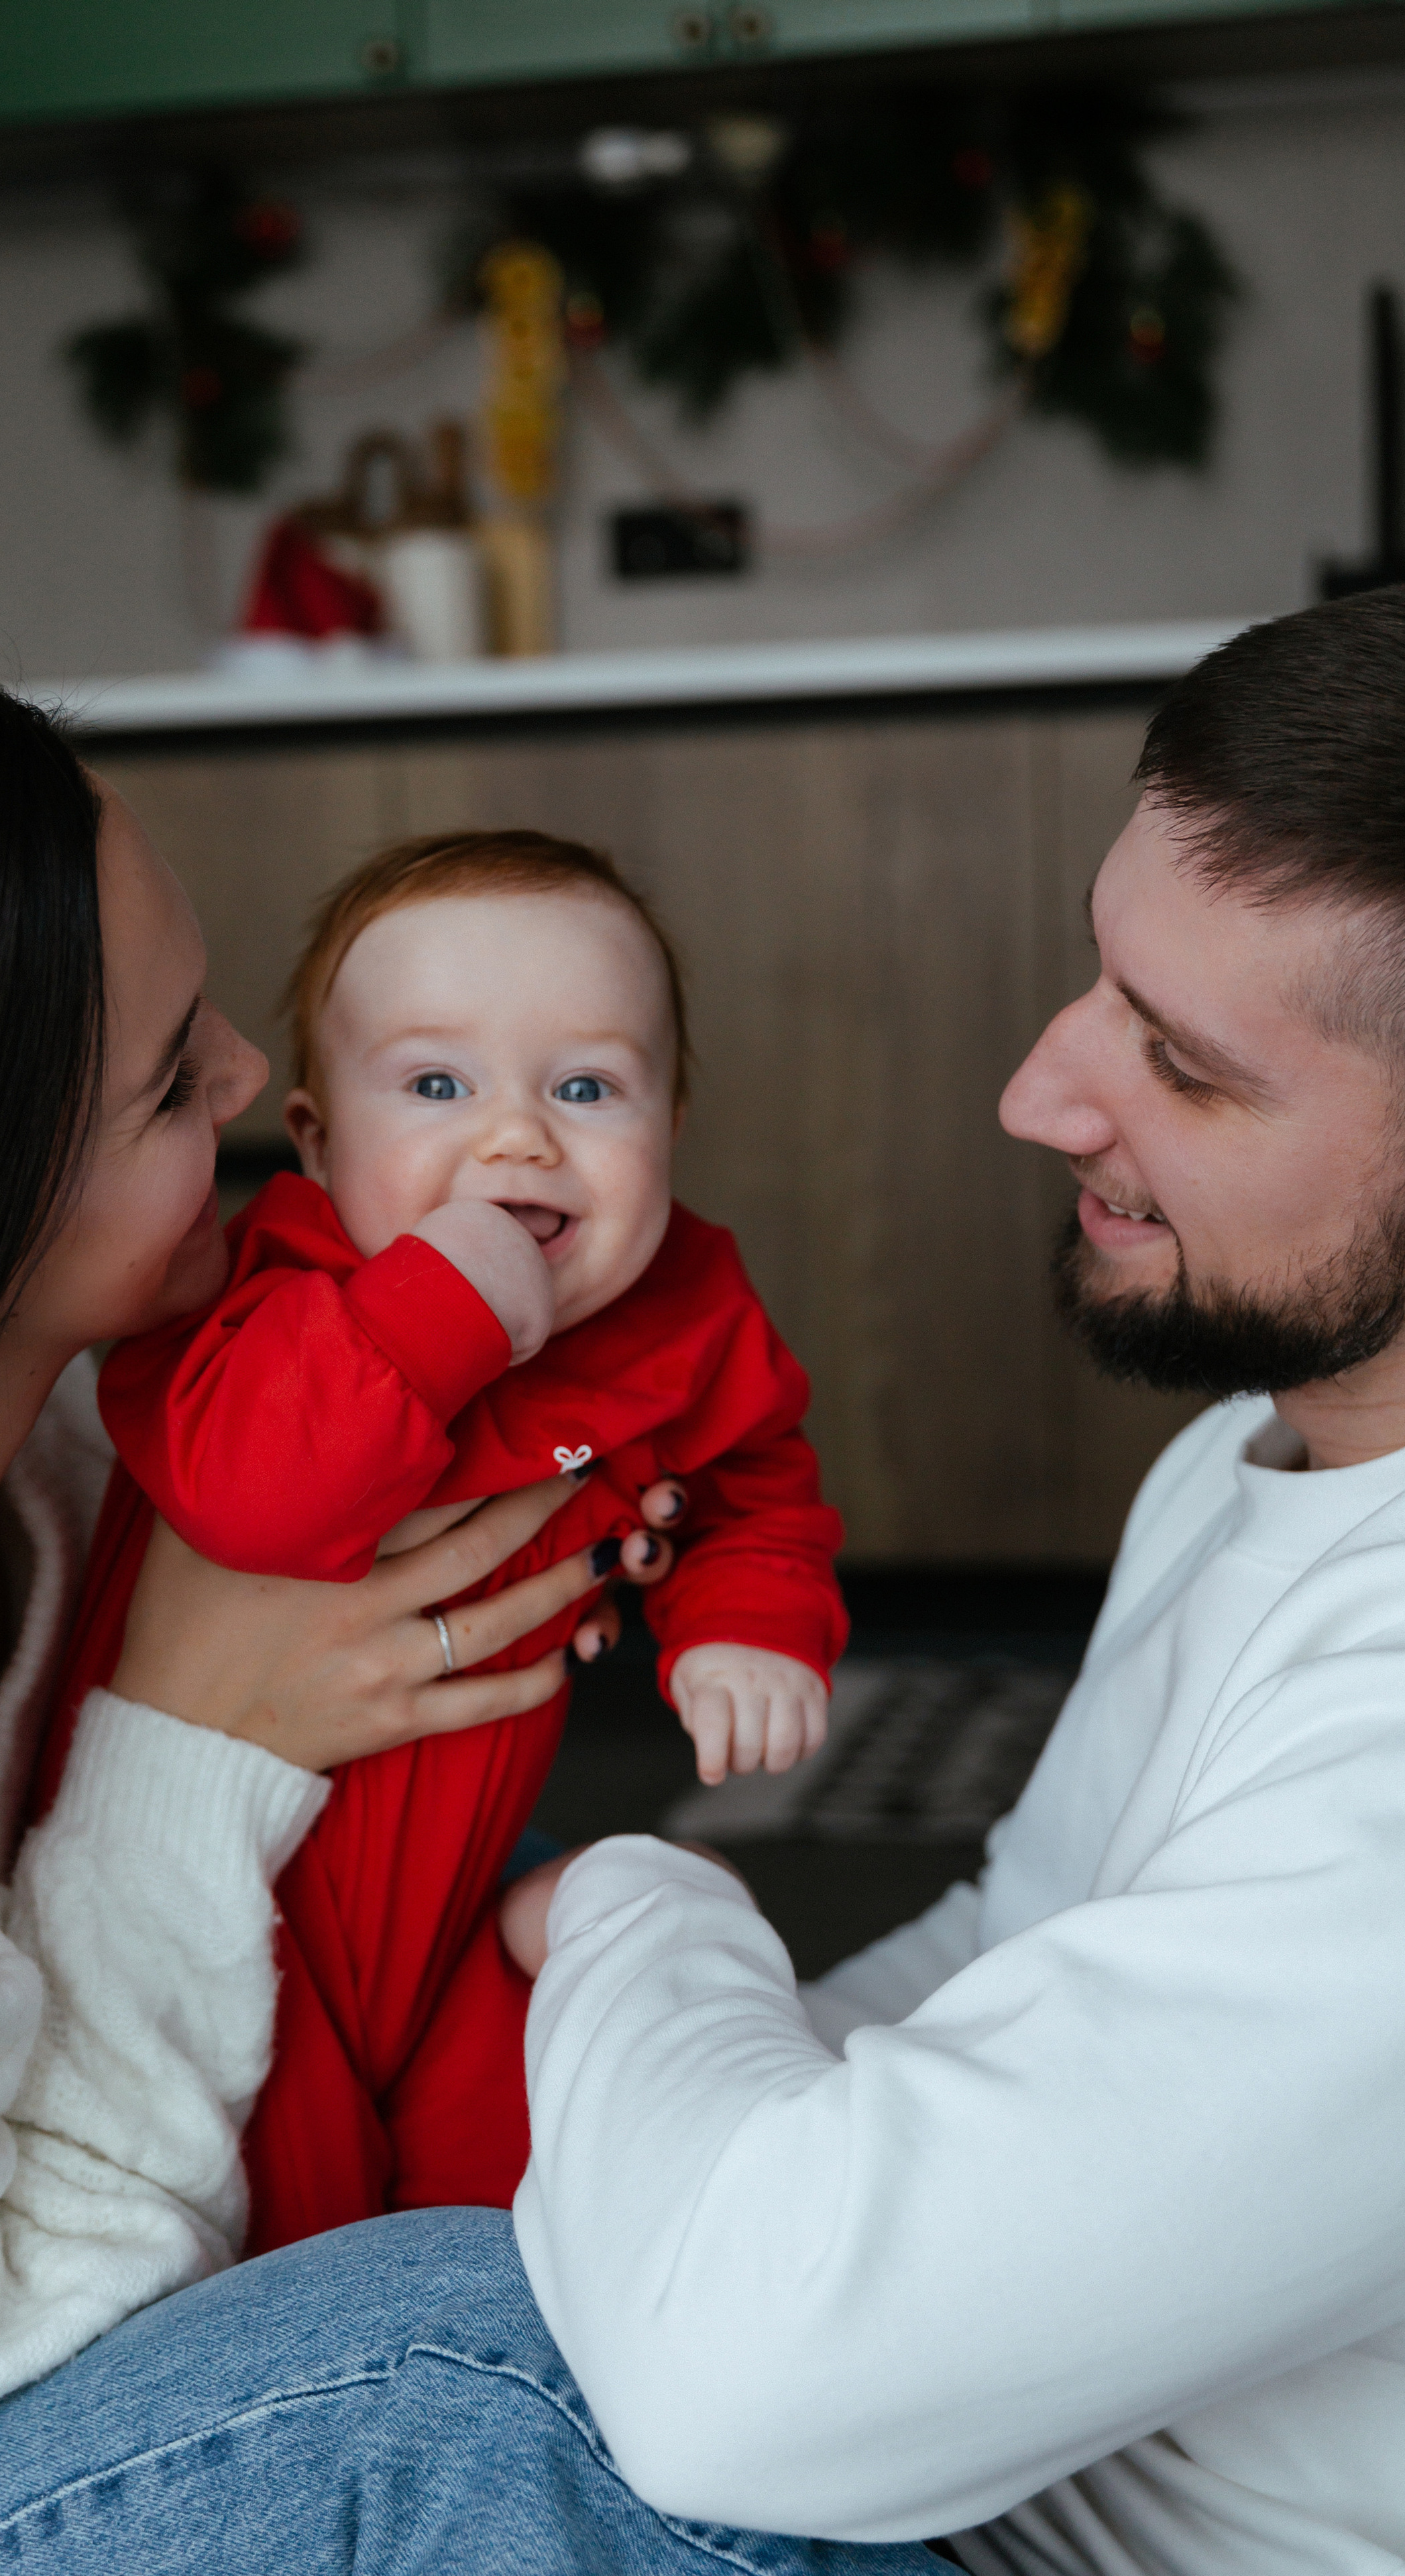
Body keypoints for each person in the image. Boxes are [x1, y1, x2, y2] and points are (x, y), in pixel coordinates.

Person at [0, 663, 849, 2575]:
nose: (248, 1080)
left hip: (89, 2195)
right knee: (482, 2360)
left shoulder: (58, 1473)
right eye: (172, 1079)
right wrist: (181, 1739)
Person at [498, 587, 1405, 2573]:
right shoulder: (1259, 1448)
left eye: (1182, 1064)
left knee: (410, 2417)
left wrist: (645, 1903)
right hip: (957, 2473)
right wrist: (679, 2111)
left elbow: (749, 2377)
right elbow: (1030, 1938)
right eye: (1103, 979)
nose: (1042, 1094)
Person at [37, 828, 842, 2253]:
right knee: (311, 2235)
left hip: (461, 1898)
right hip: (236, 1927)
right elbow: (253, 1503)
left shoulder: (685, 1313)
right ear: (314, 1140)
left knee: (543, 2215)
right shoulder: (256, 1306)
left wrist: (745, 1624)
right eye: (434, 1086)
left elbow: (752, 1477)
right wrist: (440, 1309)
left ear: (668, 1132)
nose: (518, 1136)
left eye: (587, 1088)